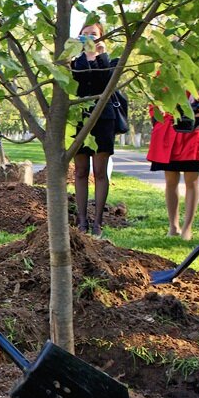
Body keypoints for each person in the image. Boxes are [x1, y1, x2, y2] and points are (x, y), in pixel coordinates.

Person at [71, 22, 117, 237]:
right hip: (78, 118)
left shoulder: (107, 60)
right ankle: (82, 221)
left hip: (103, 118)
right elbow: (75, 84)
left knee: (100, 172)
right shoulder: (72, 60)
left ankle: (98, 222)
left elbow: (107, 83)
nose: (89, 37)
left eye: (94, 34)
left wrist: (98, 56)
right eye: (85, 34)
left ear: (101, 38)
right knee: (80, 171)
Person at [146, 96, 199, 241]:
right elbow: (154, 99)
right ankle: (173, 226)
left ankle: (187, 228)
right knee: (170, 180)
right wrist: (158, 119)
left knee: (191, 181)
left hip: (193, 130)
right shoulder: (162, 73)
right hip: (168, 130)